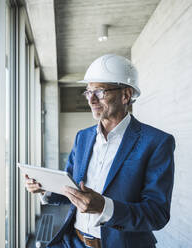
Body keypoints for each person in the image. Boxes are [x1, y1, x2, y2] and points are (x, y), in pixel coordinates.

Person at [25, 54, 175, 248]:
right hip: (74, 241)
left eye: (100, 91)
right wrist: (45, 188)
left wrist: (105, 208)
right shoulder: (83, 137)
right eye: (88, 92)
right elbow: (73, 188)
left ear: (126, 95)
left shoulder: (156, 142)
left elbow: (157, 214)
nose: (92, 99)